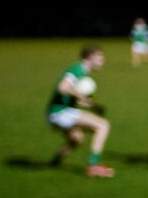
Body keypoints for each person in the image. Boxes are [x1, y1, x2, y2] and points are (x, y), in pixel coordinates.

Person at [46, 45, 115, 177]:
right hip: (61, 112)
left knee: (77, 139)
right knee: (103, 125)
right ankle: (93, 166)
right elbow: (63, 88)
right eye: (99, 56)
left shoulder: (81, 71)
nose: (102, 59)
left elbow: (71, 95)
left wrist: (92, 105)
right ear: (89, 57)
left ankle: (56, 160)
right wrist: (81, 96)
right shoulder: (78, 68)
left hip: (54, 113)